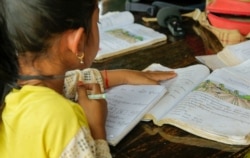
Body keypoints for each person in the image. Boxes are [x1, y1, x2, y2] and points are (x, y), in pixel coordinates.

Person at [0, 0, 177, 157]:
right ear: (77, 43)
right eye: (97, 22)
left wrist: (121, 75)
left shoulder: (10, 82)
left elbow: (67, 82)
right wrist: (96, 129)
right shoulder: (63, 119)